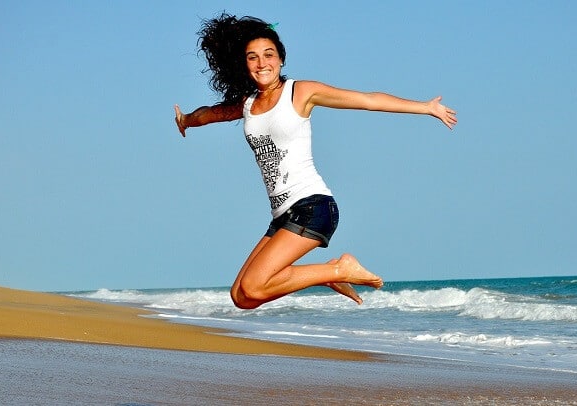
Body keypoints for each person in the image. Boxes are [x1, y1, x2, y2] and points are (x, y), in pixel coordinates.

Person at [174, 13, 457, 309]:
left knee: (255, 286)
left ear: (281, 59)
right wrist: (186, 120)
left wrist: (425, 107)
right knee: (241, 296)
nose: (262, 63)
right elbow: (209, 114)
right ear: (244, 65)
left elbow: (366, 99)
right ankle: (327, 274)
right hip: (283, 215)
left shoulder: (300, 93)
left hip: (312, 207)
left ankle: (338, 269)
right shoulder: (247, 105)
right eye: (253, 57)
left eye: (269, 55)